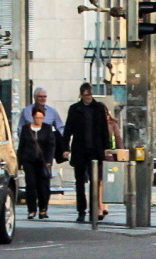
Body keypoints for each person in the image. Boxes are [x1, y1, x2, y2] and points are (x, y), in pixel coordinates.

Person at [62, 82, 112, 223]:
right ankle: (81, 210)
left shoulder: (99, 108)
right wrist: (66, 148)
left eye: (90, 94)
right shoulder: (74, 109)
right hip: (79, 150)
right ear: (81, 95)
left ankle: (93, 210)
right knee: (79, 182)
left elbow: (104, 130)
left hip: (95, 151)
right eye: (86, 95)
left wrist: (106, 149)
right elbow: (68, 130)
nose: (88, 97)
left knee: (94, 182)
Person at [18, 105, 59, 220]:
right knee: (30, 185)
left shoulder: (47, 128)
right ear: (32, 117)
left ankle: (43, 209)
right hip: (29, 160)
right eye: (36, 117)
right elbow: (22, 145)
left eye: (40, 118)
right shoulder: (26, 129)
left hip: (42, 161)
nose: (38, 120)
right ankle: (31, 210)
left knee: (43, 186)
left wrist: (49, 160)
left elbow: (51, 145)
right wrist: (19, 161)